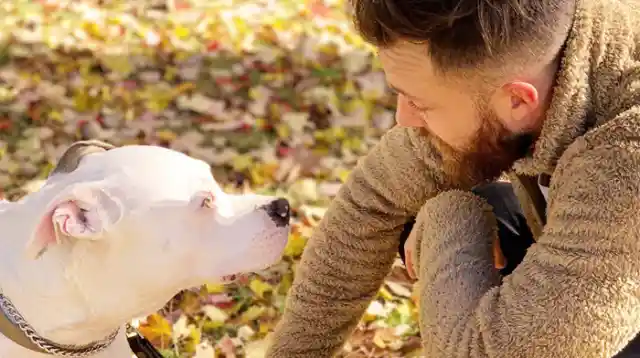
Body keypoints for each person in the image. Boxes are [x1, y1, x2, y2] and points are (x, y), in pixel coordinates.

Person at [265, 0, 640, 356]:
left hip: (618, 248)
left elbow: (482, 353)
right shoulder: (544, 55)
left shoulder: (626, 157)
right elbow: (369, 203)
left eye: (421, 104)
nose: (403, 119)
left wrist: (448, 216)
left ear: (518, 101)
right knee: (451, 195)